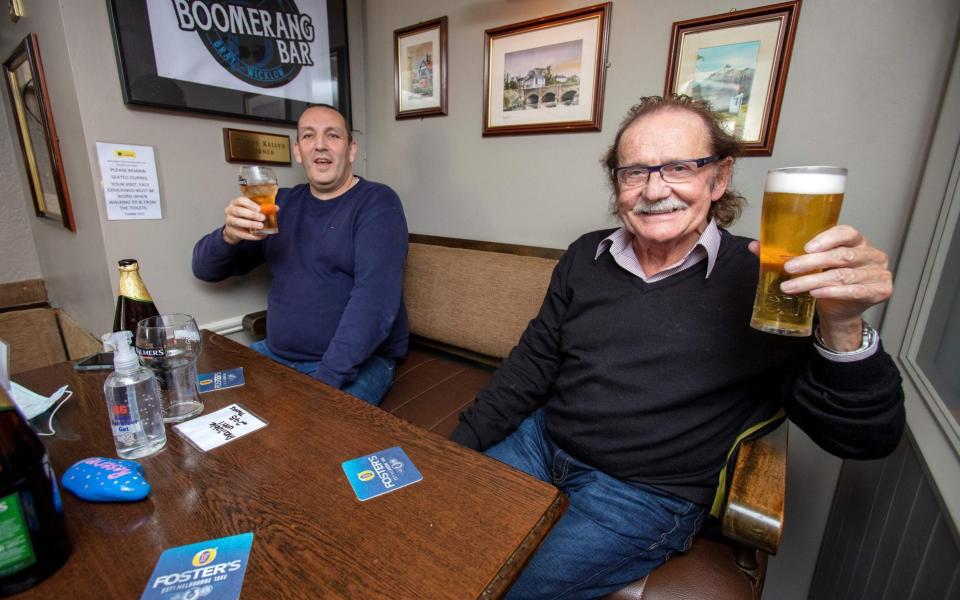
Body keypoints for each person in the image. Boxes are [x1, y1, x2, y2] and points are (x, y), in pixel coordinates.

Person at [451, 95, 904, 599]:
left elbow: (867, 439)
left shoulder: (771, 284)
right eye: (634, 173)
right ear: (617, 185)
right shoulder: (586, 256)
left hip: (641, 494)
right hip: (542, 443)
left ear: (719, 178)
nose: (654, 190)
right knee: (438, 530)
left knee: (491, 587)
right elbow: (531, 365)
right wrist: (451, 453)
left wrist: (842, 324)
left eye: (680, 168)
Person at [193, 104, 408, 406]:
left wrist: (320, 386)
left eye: (333, 135)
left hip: (353, 364)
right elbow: (205, 269)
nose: (320, 144)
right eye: (309, 136)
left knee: (308, 440)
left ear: (351, 149)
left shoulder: (377, 203)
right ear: (298, 151)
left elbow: (375, 304)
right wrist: (227, 236)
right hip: (275, 353)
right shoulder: (279, 204)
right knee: (200, 401)